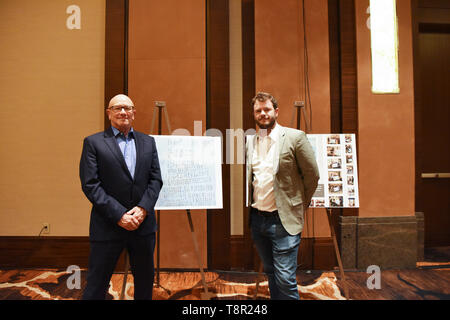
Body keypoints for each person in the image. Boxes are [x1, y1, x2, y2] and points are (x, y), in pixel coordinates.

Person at [79, 94, 163, 300]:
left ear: (134, 113)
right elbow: (91, 185)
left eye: (128, 108)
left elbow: (156, 180)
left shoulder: (148, 142)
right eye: (117, 108)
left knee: (144, 283)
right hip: (108, 225)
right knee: (97, 284)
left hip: (142, 226)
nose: (123, 112)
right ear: (109, 113)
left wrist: (142, 209)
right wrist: (120, 215)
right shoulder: (93, 142)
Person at [246, 92, 319, 300]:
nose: (263, 114)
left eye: (267, 109)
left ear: (276, 111)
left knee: (285, 279)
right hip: (258, 220)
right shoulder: (251, 141)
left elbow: (312, 175)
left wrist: (297, 205)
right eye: (258, 111)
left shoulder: (295, 137)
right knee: (271, 273)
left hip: (283, 221)